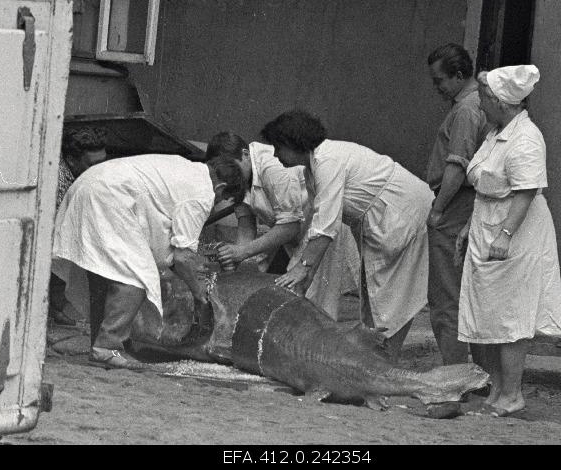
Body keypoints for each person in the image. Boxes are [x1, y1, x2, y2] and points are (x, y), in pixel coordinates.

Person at [261, 110, 434, 361]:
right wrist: (303, 270)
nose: (275, 155)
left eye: (278, 147)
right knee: (375, 295)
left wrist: (303, 267)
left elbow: (326, 226)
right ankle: (376, 356)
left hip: (404, 214)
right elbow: (316, 223)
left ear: (293, 143)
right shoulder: (312, 168)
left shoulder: (328, 160)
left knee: (393, 297)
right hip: (382, 222)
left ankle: (384, 360)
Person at [51, 154, 245, 369]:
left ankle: (102, 346)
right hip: (107, 196)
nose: (215, 205)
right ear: (220, 188)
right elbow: (183, 257)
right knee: (135, 276)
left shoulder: (187, 169)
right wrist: (200, 295)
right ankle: (106, 347)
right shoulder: (202, 192)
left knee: (104, 275)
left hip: (89, 185)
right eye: (220, 200)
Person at [457, 65, 561, 417]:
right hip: (488, 223)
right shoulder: (496, 132)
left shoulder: (526, 138)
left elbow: (526, 191)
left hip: (516, 232)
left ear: (500, 102)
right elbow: (485, 185)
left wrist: (504, 234)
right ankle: (497, 390)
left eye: (484, 98)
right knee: (490, 311)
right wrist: (470, 226)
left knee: (511, 314)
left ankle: (512, 394)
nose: (480, 104)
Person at [205, 132, 359, 320]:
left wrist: (243, 251)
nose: (228, 176)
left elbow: (290, 226)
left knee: (311, 301)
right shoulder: (237, 178)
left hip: (319, 232)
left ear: (245, 155)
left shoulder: (272, 167)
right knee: (284, 293)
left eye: (230, 168)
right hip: (292, 238)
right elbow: (246, 224)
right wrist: (234, 259)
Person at [425, 44, 491, 365]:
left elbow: (457, 166)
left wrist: (438, 209)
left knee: (445, 296)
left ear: (459, 75)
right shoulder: (479, 104)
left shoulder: (466, 109)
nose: (436, 87)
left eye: (440, 80)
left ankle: (454, 374)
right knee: (467, 294)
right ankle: (474, 373)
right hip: (470, 203)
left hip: (455, 204)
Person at [50, 126, 108, 326]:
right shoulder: (58, 181)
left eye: (103, 162)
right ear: (72, 160)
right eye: (93, 164)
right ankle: (55, 307)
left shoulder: (80, 173)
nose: (101, 169)